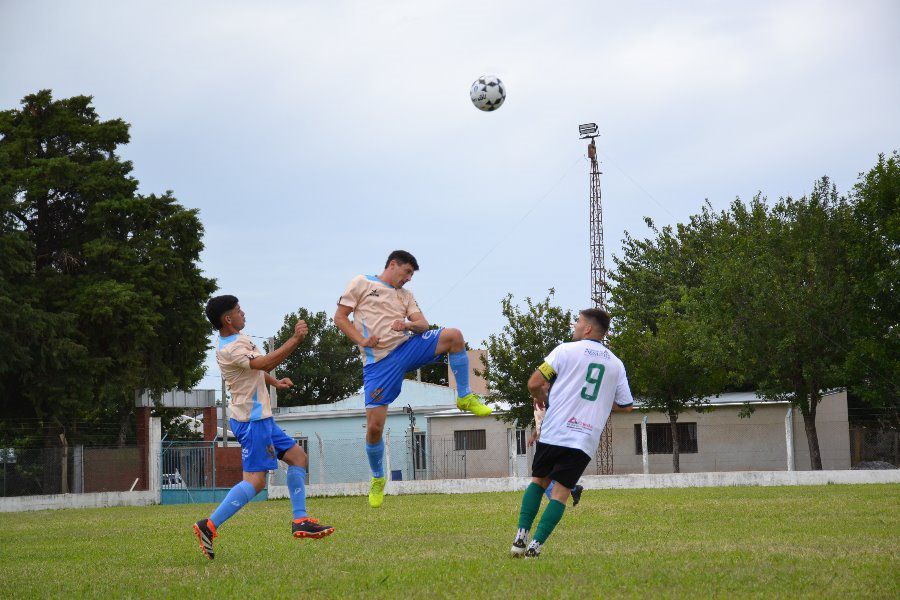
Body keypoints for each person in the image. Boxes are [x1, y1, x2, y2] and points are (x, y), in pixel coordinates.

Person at [334, 250, 492, 508]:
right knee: (374, 427)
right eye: (407, 272)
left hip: (407, 348)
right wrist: (362, 340)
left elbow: (423, 324)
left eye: (411, 275)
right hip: (379, 363)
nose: (408, 279)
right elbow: (340, 317)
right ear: (393, 265)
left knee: (454, 336)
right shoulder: (361, 283)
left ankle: (464, 396)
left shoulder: (405, 296)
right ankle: (377, 478)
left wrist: (406, 324)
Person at [192, 295, 334, 560]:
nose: (243, 312)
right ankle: (208, 526)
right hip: (252, 422)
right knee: (255, 483)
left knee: (298, 458)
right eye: (238, 310)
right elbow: (262, 363)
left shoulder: (236, 341)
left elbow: (255, 369)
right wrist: (295, 340)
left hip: (261, 419)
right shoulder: (231, 347)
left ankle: (300, 520)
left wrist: (274, 381)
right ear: (227, 319)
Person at [511, 308, 634, 558]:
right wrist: (601, 401)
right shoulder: (616, 364)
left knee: (539, 481)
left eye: (578, 322)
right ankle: (535, 548)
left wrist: (541, 397)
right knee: (561, 493)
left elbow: (534, 382)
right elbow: (626, 405)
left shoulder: (564, 350)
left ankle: (520, 537)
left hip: (555, 431)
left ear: (588, 328)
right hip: (584, 439)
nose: (575, 326)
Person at [528, 403, 584, 507]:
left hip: (551, 443)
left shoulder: (548, 403)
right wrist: (533, 436)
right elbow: (540, 425)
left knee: (542, 475)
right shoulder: (537, 404)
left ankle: (554, 503)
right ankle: (574, 489)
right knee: (549, 474)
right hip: (545, 442)